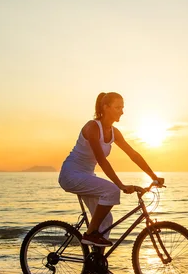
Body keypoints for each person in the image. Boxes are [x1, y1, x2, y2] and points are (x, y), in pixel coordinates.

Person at [58, 92, 164, 255]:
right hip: (71, 174)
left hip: (86, 176)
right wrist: (120, 185)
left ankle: (98, 264)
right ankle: (90, 234)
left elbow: (133, 154)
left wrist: (153, 176)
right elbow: (102, 160)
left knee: (106, 220)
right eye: (118, 107)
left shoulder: (114, 132)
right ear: (105, 108)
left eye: (122, 107)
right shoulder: (93, 127)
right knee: (112, 190)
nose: (122, 111)